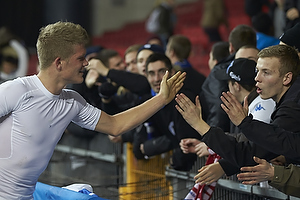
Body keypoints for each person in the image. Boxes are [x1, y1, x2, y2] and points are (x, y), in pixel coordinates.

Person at [0, 21, 186, 199]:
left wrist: (161, 98)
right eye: (80, 58)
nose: (86, 63)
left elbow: (116, 125)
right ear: (59, 63)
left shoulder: (73, 102)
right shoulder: (17, 90)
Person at [175, 45, 300, 187]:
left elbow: (250, 152)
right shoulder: (290, 99)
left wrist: (200, 125)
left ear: (287, 78)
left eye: (266, 72)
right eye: (257, 71)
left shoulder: (292, 108)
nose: (257, 78)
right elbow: (261, 145)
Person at [200, 24, 257, 132]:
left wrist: (212, 144)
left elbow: (217, 111)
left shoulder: (219, 72)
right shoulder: (268, 67)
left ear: (231, 47)